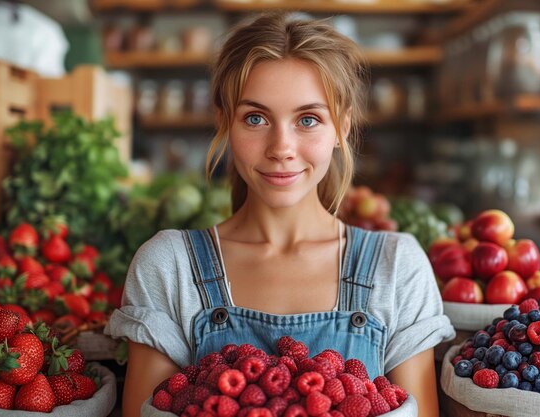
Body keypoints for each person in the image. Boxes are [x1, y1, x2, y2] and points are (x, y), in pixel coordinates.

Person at [106, 13, 455, 417]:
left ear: (341, 127)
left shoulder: (396, 268)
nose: (281, 147)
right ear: (224, 121)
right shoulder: (169, 266)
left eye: (308, 120)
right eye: (256, 118)